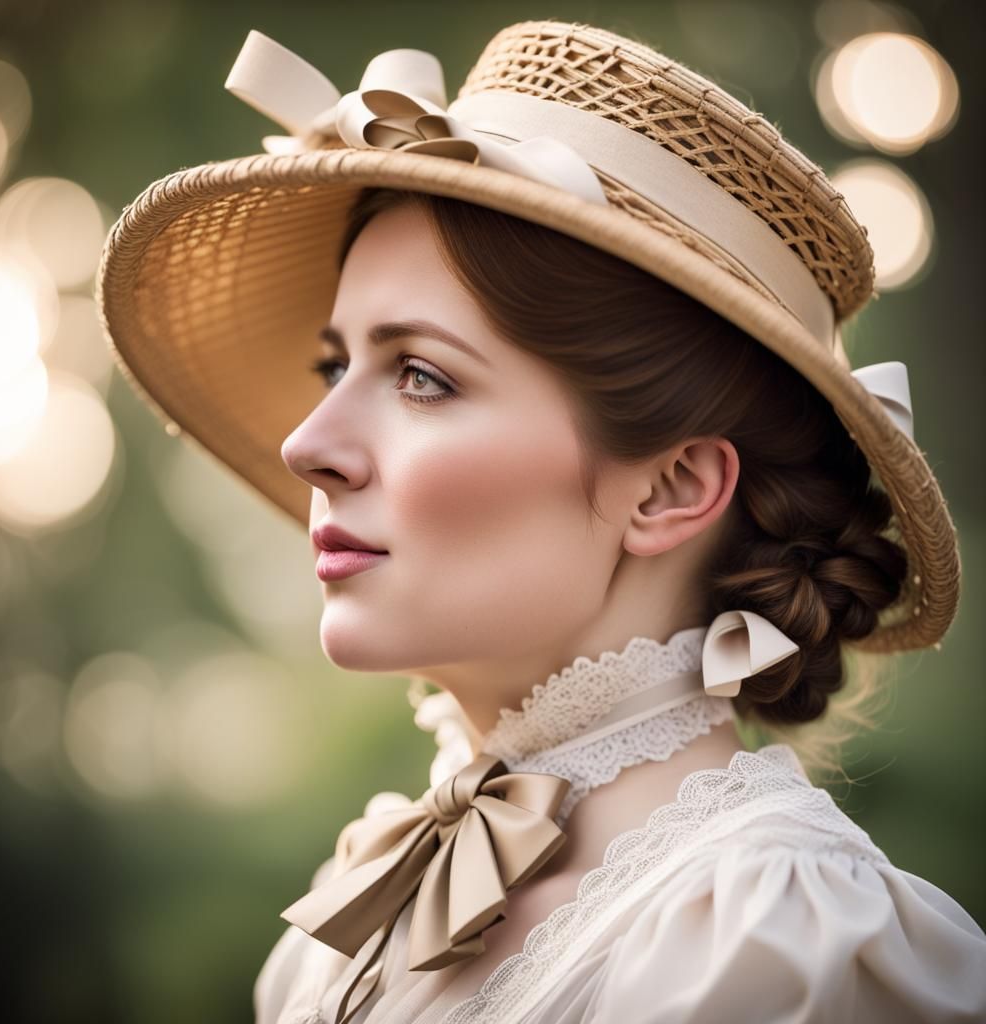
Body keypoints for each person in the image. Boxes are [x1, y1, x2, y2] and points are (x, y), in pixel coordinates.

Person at [95, 18, 986, 1024]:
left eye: (421, 376)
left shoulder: (790, 955)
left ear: (669, 488)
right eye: (333, 366)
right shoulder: (342, 937)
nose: (309, 441)